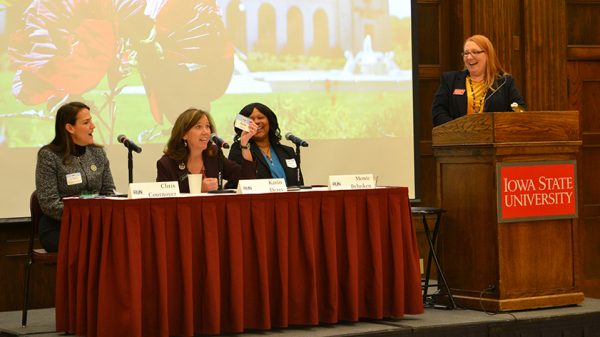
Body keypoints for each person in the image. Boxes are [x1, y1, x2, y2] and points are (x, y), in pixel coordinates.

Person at [35, 101, 116, 252]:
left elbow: (108, 192)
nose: (93, 126)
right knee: (91, 247)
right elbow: (49, 203)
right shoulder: (49, 156)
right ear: (69, 128)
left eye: (91, 121)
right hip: (59, 227)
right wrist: (84, 219)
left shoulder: (97, 153)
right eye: (86, 122)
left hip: (95, 226)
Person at [432, 34, 527, 127]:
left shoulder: (505, 82)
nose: (469, 57)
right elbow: (438, 112)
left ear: (488, 55)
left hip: (493, 139)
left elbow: (520, 111)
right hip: (457, 139)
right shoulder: (450, 80)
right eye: (466, 53)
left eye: (475, 52)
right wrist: (458, 129)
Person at [157, 108, 257, 192]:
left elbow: (246, 179)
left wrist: (244, 144)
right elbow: (165, 202)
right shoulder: (167, 164)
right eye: (198, 127)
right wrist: (199, 189)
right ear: (184, 134)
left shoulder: (214, 155)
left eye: (207, 126)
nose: (205, 132)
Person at [228, 102, 304, 187]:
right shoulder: (239, 149)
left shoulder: (287, 151)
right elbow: (236, 182)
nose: (256, 122)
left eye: (260, 117)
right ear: (244, 125)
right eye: (251, 119)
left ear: (269, 121)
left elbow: (299, 184)